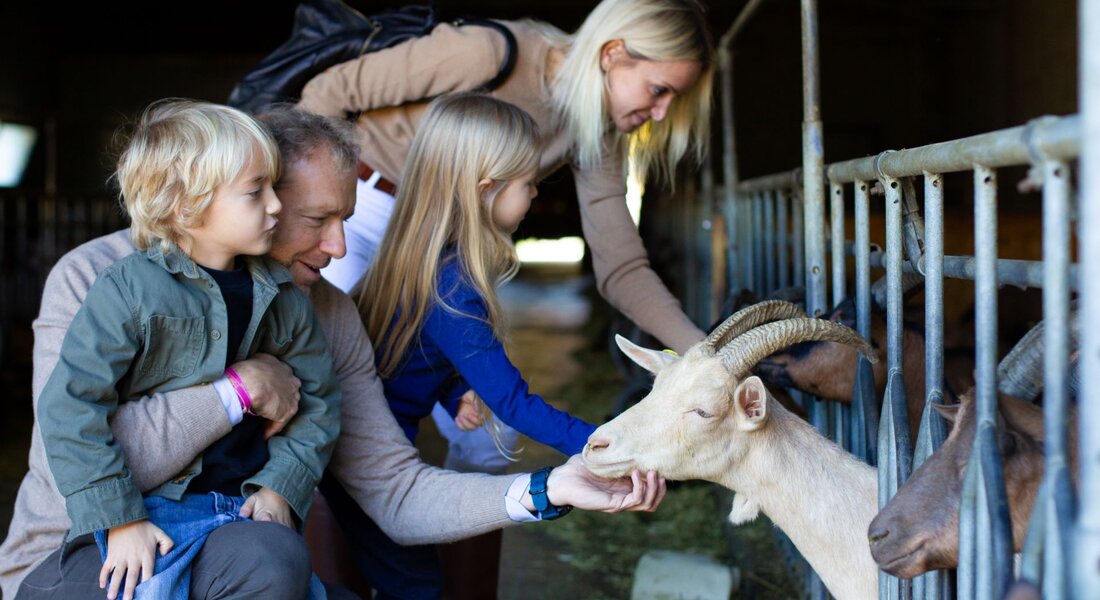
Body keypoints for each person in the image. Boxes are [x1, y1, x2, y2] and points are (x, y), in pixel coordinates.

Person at [0, 106, 667, 600]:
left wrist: (551, 489)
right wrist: (238, 391)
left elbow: (394, 491)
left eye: (346, 217)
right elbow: (76, 461)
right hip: (79, 555)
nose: (341, 247)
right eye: (317, 219)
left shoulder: (323, 311)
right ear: (252, 193)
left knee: (275, 557)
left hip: (232, 552)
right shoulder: (95, 278)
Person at [297, 1, 713, 588]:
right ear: (615, 54)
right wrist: (316, 215)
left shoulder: (592, 128)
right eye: (660, 89)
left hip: (446, 228)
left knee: (488, 429)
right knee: (340, 407)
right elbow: (323, 94)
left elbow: (620, 265)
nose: (661, 112)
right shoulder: (491, 53)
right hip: (361, 209)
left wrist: (704, 355)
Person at [33, 100, 341, 600]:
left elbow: (321, 401)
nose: (276, 206)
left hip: (239, 511)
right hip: (147, 513)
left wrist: (281, 484)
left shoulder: (283, 297)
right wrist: (120, 518)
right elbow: (70, 406)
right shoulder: (127, 291)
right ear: (187, 207)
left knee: (284, 568)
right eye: (255, 192)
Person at [344, 94, 598, 598]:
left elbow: (408, 351)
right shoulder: (454, 286)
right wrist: (607, 442)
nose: (532, 197)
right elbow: (513, 403)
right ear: (486, 191)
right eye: (528, 184)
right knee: (416, 586)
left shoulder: (425, 259)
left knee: (404, 578)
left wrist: (453, 386)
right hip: (370, 461)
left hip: (363, 448)